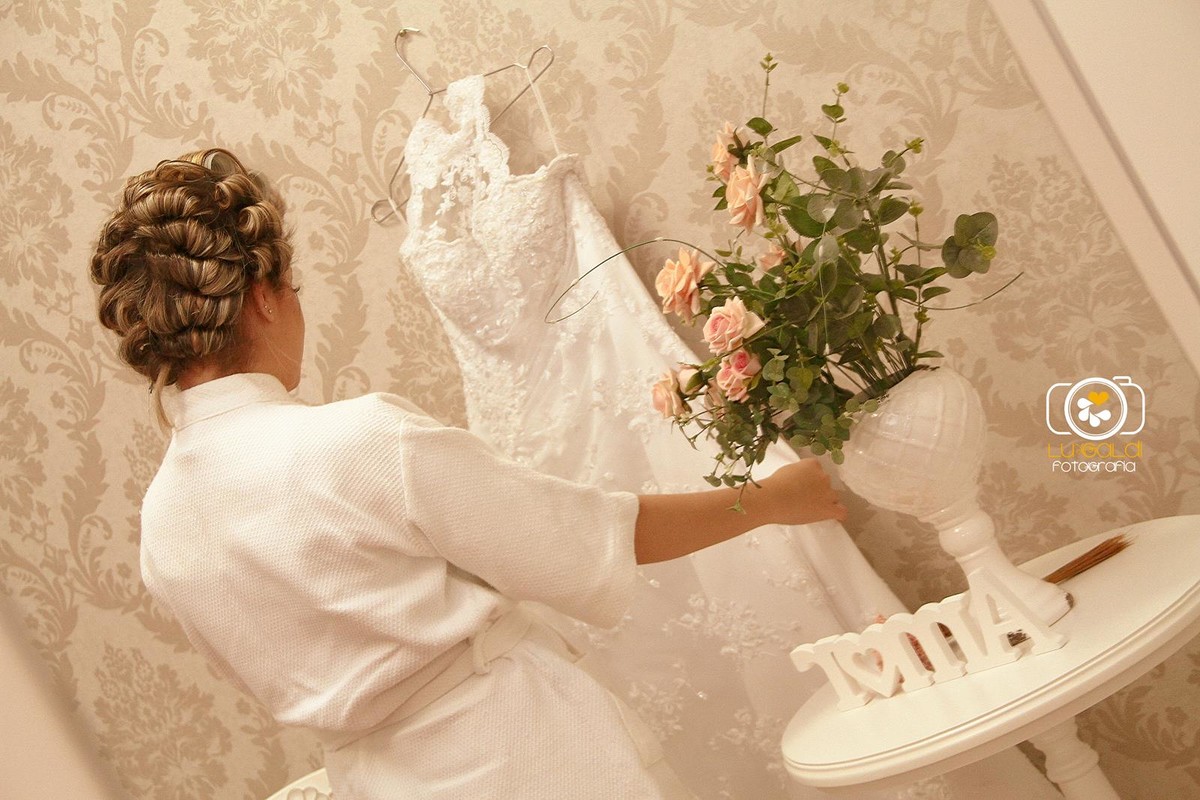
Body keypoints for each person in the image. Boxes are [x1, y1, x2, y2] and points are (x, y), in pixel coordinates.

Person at [89, 148, 847, 800]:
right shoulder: (358, 442)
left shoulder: (162, 529)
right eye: (293, 290)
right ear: (263, 296)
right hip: (524, 760)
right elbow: (588, 539)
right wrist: (771, 500)